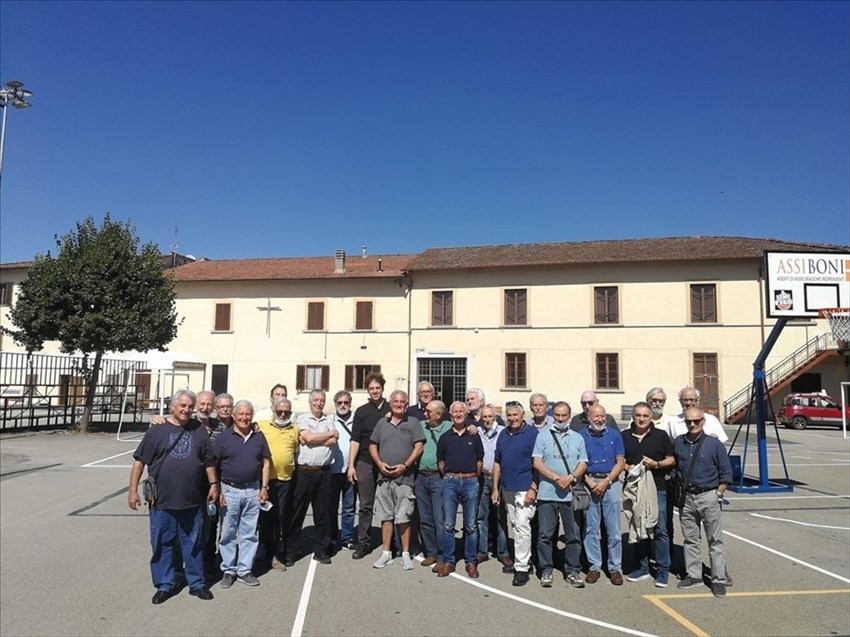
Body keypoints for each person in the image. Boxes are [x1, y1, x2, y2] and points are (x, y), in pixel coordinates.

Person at [128, 389, 218, 604]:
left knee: (193, 543)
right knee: (162, 543)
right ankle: (166, 584)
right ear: (173, 406)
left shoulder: (199, 430)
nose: (186, 410)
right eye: (182, 406)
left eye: (189, 406)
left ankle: (197, 583)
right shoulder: (156, 431)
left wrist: (214, 485)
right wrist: (132, 491)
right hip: (161, 501)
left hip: (193, 500)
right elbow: (139, 462)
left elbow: (209, 461)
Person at [674, 407, 733, 598]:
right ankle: (694, 575)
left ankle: (718, 579)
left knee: (714, 540)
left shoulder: (714, 444)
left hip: (708, 495)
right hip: (687, 498)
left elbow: (726, 473)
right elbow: (676, 468)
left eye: (696, 421)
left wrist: (717, 493)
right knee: (691, 539)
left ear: (703, 422)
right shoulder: (679, 442)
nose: (692, 424)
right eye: (689, 421)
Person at [215, 400, 271, 588]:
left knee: (249, 533)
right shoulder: (223, 438)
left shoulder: (258, 436)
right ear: (234, 415)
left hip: (253, 490)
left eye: (248, 414)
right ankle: (228, 570)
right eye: (241, 414)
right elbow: (214, 465)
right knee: (228, 533)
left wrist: (264, 488)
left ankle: (245, 569)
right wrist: (217, 489)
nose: (244, 418)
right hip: (229, 490)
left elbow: (265, 463)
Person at [532, 401, 587, 589]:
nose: (561, 419)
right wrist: (557, 478)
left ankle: (572, 570)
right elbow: (537, 463)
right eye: (557, 415)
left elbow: (583, 463)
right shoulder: (543, 436)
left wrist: (570, 477)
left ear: (569, 416)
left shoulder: (578, 438)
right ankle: (546, 569)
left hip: (570, 494)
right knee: (545, 535)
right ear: (552, 415)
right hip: (547, 494)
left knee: (573, 536)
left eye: (564, 416)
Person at [621, 401, 675, 588]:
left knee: (660, 529)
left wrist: (656, 465)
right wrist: (628, 467)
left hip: (657, 488)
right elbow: (619, 460)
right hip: (634, 488)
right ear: (633, 417)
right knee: (638, 528)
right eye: (638, 415)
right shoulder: (625, 436)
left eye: (645, 416)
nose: (641, 419)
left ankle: (662, 570)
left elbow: (671, 459)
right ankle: (642, 567)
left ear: (651, 418)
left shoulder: (661, 436)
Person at [369, 390, 425, 570]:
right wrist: (379, 463)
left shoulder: (414, 423)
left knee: (404, 517)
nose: (398, 404)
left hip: (405, 479)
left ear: (406, 404)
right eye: (395, 401)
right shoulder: (381, 422)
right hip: (384, 478)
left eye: (402, 402)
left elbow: (419, 447)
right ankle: (386, 553)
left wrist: (406, 465)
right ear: (390, 403)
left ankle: (406, 553)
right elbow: (372, 445)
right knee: (385, 517)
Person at [286, 389, 338, 566]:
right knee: (297, 512)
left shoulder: (329, 419)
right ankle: (291, 550)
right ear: (310, 401)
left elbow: (334, 439)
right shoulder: (301, 419)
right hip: (304, 472)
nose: (319, 402)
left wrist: (314, 438)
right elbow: (307, 437)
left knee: (322, 513)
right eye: (316, 399)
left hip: (323, 472)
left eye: (322, 400)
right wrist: (322, 437)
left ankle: (321, 550)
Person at [492, 401, 539, 586]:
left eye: (515, 415)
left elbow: (538, 463)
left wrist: (533, 488)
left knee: (522, 527)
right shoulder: (503, 434)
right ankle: (524, 560)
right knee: (515, 525)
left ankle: (522, 568)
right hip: (507, 488)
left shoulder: (532, 434)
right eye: (509, 415)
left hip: (524, 488)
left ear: (523, 415)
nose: (512, 418)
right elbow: (498, 462)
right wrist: (496, 488)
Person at [437, 401, 484, 578]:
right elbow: (440, 461)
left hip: (471, 481)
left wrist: (471, 476)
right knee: (448, 525)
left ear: (466, 414)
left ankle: (470, 562)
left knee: (471, 525)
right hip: (450, 481)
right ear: (451, 415)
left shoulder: (474, 435)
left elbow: (480, 459)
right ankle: (449, 561)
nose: (458, 414)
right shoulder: (445, 437)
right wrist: (453, 475)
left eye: (461, 412)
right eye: (455, 412)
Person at [579, 403, 626, 585]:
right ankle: (594, 567)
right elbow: (577, 463)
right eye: (595, 416)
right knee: (590, 529)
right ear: (588, 416)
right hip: (589, 483)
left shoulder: (615, 435)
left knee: (613, 530)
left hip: (610, 483)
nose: (599, 419)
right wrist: (589, 482)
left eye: (602, 416)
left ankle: (615, 568)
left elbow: (620, 461)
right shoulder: (580, 436)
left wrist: (606, 481)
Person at [256, 397, 299, 571]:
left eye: (286, 412)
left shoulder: (294, 429)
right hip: (265, 480)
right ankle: (265, 552)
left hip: (285, 480)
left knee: (278, 518)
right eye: (279, 411)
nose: (282, 414)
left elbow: (295, 450)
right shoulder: (261, 425)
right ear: (273, 410)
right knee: (265, 518)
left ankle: (272, 553)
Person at [348, 372, 388, 559]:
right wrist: (351, 466)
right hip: (364, 463)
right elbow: (355, 440)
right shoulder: (362, 412)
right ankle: (363, 543)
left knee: (390, 504)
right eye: (371, 388)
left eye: (377, 388)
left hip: (388, 463)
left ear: (382, 388)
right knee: (365, 505)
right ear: (367, 390)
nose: (374, 391)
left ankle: (391, 543)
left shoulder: (391, 408)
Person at [416, 399, 451, 570]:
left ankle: (443, 555)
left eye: (429, 411)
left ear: (439, 414)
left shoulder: (449, 427)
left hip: (439, 479)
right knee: (425, 519)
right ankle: (430, 552)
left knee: (440, 519)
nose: (425, 414)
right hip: (421, 478)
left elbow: (467, 425)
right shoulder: (421, 425)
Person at [476, 404, 512, 570]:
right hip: (483, 477)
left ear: (495, 417)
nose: (488, 420)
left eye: (490, 416)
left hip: (500, 478)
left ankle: (503, 552)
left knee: (500, 518)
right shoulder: (477, 431)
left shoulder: (504, 432)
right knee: (481, 516)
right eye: (484, 417)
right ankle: (482, 551)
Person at [330, 390, 357, 551]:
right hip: (332, 471)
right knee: (332, 507)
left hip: (350, 471)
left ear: (350, 403)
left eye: (345, 402)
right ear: (335, 404)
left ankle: (347, 537)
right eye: (339, 403)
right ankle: (333, 538)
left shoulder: (357, 420)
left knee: (349, 507)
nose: (342, 405)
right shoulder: (329, 421)